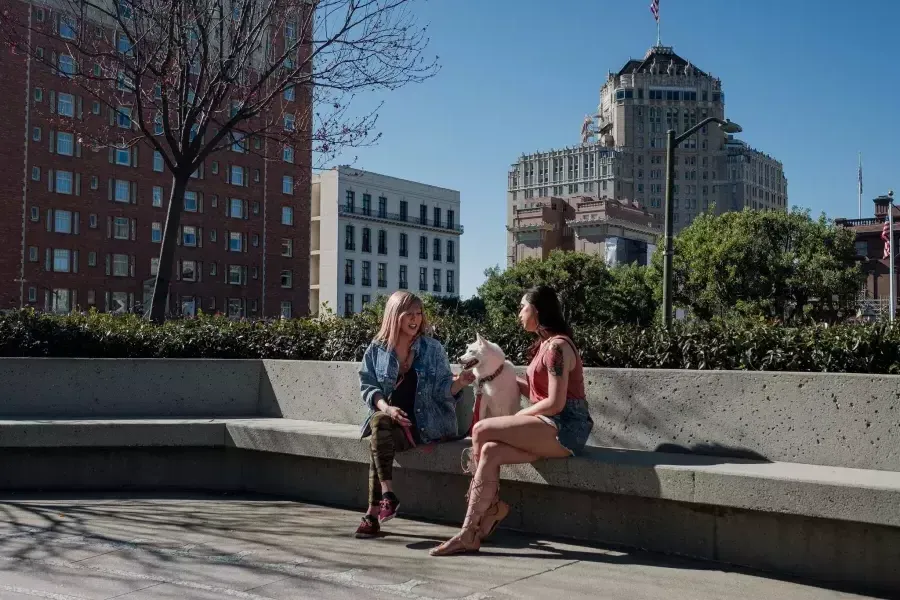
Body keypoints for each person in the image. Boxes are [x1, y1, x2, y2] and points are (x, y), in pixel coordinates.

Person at [430, 285, 594, 556]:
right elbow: (536, 393)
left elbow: (556, 403)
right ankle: (470, 531)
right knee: (491, 452)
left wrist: (518, 417)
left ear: (537, 311)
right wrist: (499, 376)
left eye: (523, 307)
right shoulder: (544, 345)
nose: (519, 313)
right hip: (546, 424)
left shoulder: (557, 347)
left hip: (566, 428)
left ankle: (491, 510)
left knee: (481, 429)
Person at [356, 291, 476, 539]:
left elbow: (444, 389)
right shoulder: (376, 349)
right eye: (408, 314)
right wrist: (389, 408)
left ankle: (373, 511)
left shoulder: (433, 349)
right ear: (394, 315)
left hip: (428, 426)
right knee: (380, 421)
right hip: (393, 424)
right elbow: (369, 388)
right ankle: (386, 497)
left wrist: (460, 383)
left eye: (419, 314)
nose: (415, 319)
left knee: (377, 440)